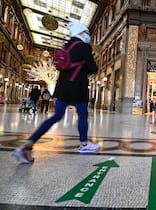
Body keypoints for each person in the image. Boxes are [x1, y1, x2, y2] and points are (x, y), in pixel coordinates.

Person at [13, 22, 99, 164]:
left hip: (63, 87)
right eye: (86, 33)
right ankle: (84, 144)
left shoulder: (66, 46)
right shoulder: (84, 47)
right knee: (83, 115)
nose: (88, 36)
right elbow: (93, 68)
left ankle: (28, 144)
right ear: (81, 34)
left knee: (56, 116)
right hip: (77, 87)